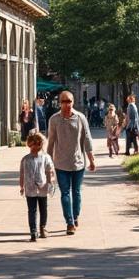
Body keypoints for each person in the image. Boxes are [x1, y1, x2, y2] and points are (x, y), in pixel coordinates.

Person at [45, 89, 96, 234]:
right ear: (59, 103)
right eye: (64, 101)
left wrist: (92, 160)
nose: (66, 104)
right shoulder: (54, 119)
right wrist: (48, 163)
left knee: (77, 192)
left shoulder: (80, 118)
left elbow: (87, 139)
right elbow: (51, 142)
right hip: (60, 163)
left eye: (69, 101)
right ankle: (69, 222)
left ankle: (76, 215)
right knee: (65, 193)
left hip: (78, 162)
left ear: (73, 102)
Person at [19, 132, 56, 241]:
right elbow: (22, 174)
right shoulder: (29, 158)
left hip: (37, 188)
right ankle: (37, 230)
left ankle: (38, 229)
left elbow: (50, 171)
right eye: (33, 144)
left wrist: (51, 183)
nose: (34, 147)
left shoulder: (41, 158)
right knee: (37, 209)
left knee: (38, 209)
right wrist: (21, 186)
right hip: (36, 188)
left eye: (37, 144)